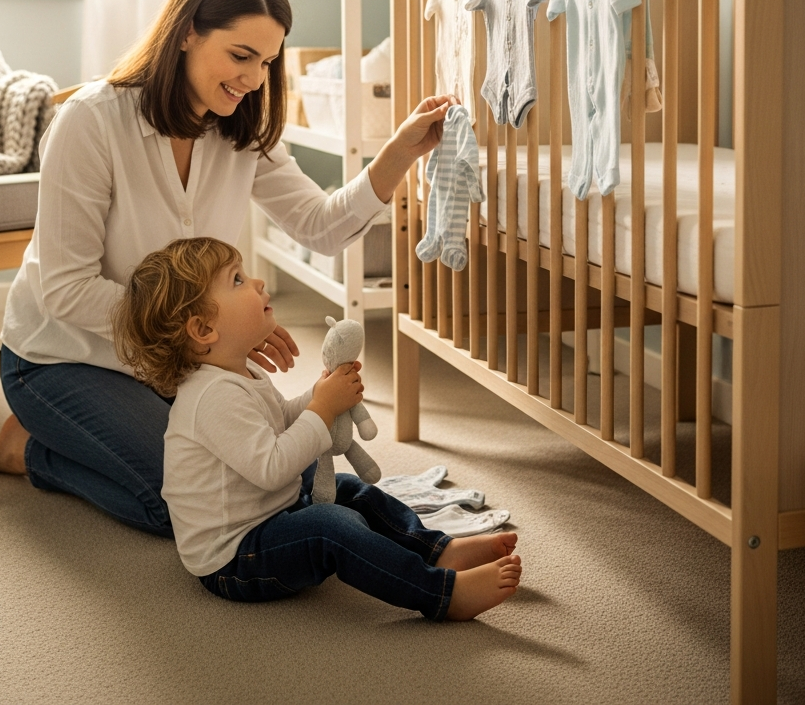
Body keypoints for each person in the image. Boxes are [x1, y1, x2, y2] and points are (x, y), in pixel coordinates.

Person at [0, 0, 454, 537]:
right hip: (61, 356)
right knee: (189, 506)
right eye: (240, 56)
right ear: (186, 34)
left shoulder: (242, 126)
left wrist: (400, 152)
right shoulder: (91, 122)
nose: (253, 79)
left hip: (173, 358)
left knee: (274, 476)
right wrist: (209, 327)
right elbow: (65, 291)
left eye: (267, 61)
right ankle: (30, 450)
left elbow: (320, 225)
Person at [113, 236, 522, 620]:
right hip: (236, 557)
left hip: (274, 510)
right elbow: (273, 467)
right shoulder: (210, 398)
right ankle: (441, 594)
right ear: (204, 330)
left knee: (347, 489)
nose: (256, 281)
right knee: (332, 527)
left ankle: (437, 549)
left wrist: (318, 393)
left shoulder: (243, 370)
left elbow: (281, 419)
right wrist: (322, 410)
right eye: (237, 280)